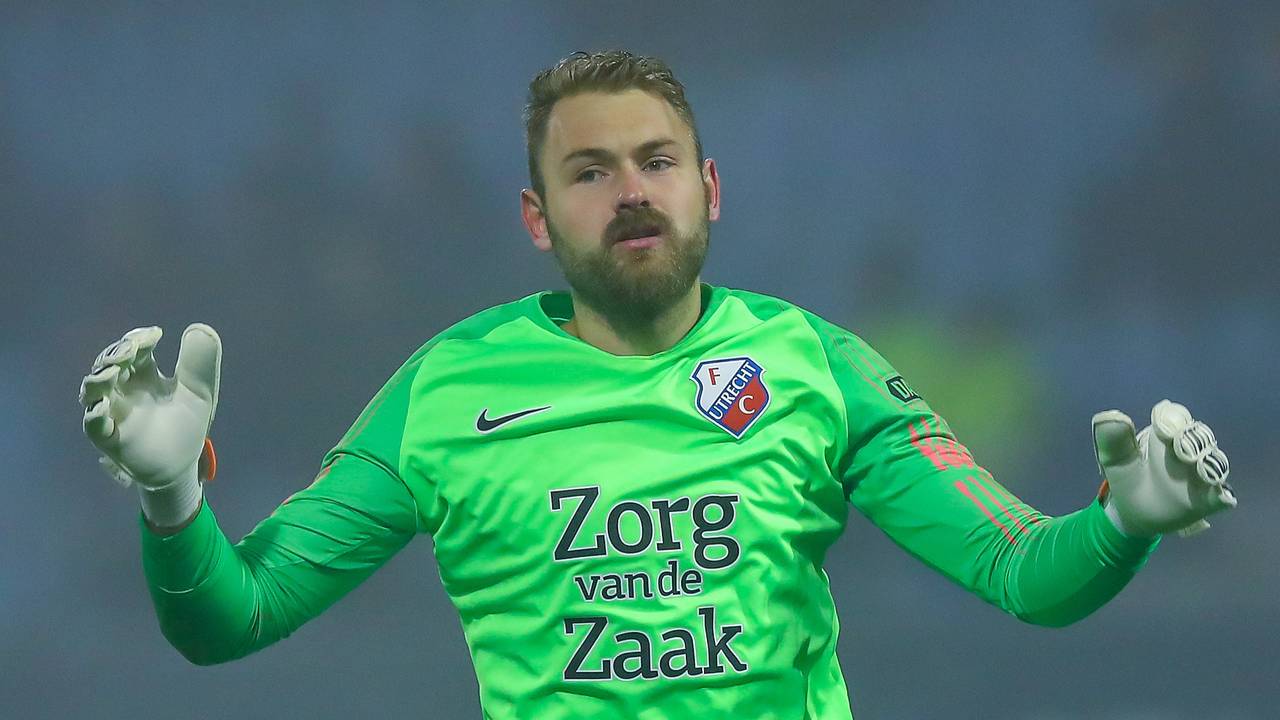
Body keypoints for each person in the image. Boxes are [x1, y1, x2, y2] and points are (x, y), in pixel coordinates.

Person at [78, 50, 1237, 719]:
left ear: (709, 188)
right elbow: (230, 624)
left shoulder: (813, 366)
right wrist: (173, 498)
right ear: (536, 219)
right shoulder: (446, 389)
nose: (630, 191)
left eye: (657, 161)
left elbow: (1020, 574)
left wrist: (1121, 523)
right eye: (589, 172)